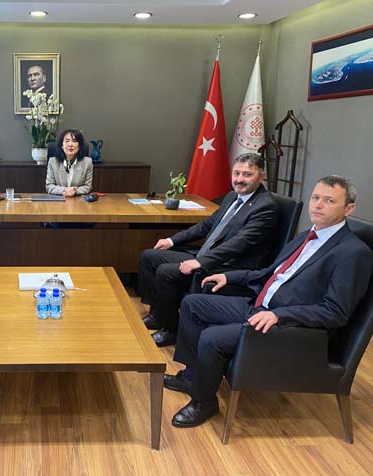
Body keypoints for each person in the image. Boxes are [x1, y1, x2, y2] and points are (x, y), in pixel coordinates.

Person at [166, 175, 373, 428]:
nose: (318, 205)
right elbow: (269, 273)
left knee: (211, 337)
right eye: (315, 197)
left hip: (288, 329)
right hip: (259, 307)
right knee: (192, 304)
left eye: (329, 201)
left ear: (348, 208)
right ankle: (192, 376)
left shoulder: (353, 253)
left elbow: (335, 312)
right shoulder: (307, 235)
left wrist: (279, 316)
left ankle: (203, 402)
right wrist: (229, 276)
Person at [138, 153, 278, 347]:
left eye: (247, 174)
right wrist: (171, 240)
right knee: (149, 257)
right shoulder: (233, 196)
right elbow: (206, 225)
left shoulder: (266, 207)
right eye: (236, 173)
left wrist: (200, 262)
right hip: (208, 254)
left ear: (261, 176)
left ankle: (171, 330)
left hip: (230, 265)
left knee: (166, 272)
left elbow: (238, 243)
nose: (239, 179)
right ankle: (159, 315)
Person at [46, 129, 93, 197]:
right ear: (61, 145)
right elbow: (49, 186)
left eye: (74, 141)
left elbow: (88, 186)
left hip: (78, 200)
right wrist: (64, 190)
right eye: (67, 141)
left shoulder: (87, 162)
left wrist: (75, 191)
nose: (70, 144)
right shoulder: (53, 162)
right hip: (58, 200)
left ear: (79, 145)